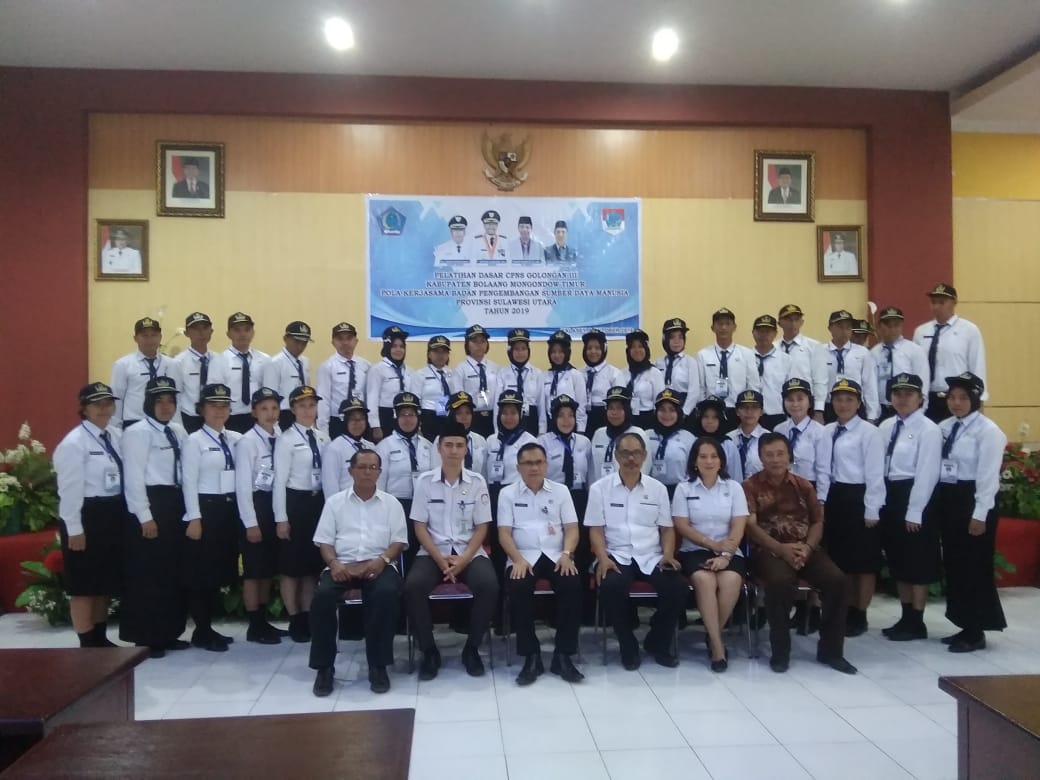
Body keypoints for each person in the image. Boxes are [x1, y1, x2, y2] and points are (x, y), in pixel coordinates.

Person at [743, 433, 856, 674]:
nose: (775, 459)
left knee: (837, 581)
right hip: (768, 551)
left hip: (805, 548)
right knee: (780, 581)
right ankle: (780, 652)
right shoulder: (750, 487)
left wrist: (808, 547)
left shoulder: (804, 485)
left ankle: (831, 651)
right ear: (761, 458)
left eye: (780, 454)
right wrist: (780, 549)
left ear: (789, 456)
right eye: (769, 455)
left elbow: (817, 521)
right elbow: (750, 527)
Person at [405, 423, 500, 679]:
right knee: (413, 586)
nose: (454, 451)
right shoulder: (425, 481)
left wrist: (464, 560)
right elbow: (419, 526)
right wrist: (440, 560)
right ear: (439, 448)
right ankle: (429, 650)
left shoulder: (477, 482)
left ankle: (472, 648)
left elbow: (482, 527)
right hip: (433, 552)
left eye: (459, 445)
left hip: (469, 552)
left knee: (489, 584)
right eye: (448, 445)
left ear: (466, 449)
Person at [309, 449, 407, 696]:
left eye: (373, 467)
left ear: (380, 472)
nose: (367, 472)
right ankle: (324, 668)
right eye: (362, 467)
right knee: (322, 597)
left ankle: (378, 666)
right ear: (351, 470)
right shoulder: (335, 503)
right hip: (342, 565)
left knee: (385, 593)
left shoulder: (391, 503)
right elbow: (324, 542)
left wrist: (382, 561)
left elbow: (398, 542)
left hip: (379, 564)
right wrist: (334, 564)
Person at [586, 432, 687, 669]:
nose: (631, 458)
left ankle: (657, 642)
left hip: (651, 555)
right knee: (611, 586)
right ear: (616, 456)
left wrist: (668, 555)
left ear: (644, 456)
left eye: (636, 453)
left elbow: (667, 529)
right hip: (616, 554)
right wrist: (602, 558)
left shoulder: (657, 488)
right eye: (625, 453)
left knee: (678, 587)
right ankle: (627, 644)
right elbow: (596, 530)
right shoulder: (600, 489)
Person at [498, 442, 584, 685]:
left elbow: (572, 529)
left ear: (546, 465)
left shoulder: (561, 491)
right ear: (518, 467)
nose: (533, 468)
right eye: (527, 463)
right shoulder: (507, 494)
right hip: (522, 555)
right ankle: (531, 656)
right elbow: (504, 534)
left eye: (538, 462)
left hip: (557, 554)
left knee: (572, 584)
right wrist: (517, 559)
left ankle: (563, 655)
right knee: (518, 586)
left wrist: (567, 554)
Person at [935, 372, 1007, 652]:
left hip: (974, 500)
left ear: (975, 399)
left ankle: (976, 630)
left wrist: (980, 514)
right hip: (950, 498)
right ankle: (963, 623)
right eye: (952, 397)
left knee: (974, 566)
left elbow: (988, 477)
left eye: (963, 398)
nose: (956, 403)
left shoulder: (988, 432)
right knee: (955, 565)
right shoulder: (945, 426)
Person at [120, 377, 190, 656]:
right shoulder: (137, 432)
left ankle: (169, 632)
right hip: (151, 503)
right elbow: (133, 477)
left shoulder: (177, 430)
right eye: (159, 401)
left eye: (170, 401)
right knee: (148, 574)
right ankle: (146, 637)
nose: (165, 406)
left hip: (174, 503)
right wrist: (144, 516)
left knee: (171, 571)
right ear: (148, 403)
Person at [54, 382, 127, 647]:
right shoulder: (74, 443)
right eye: (97, 404)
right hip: (86, 516)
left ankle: (100, 638)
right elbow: (69, 490)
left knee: (103, 583)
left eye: (108, 403)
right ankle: (86, 643)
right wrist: (75, 528)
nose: (104, 409)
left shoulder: (115, 435)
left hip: (111, 514)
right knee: (83, 585)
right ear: (84, 409)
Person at [672, 437, 748, 672]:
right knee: (705, 580)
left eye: (714, 456)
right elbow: (682, 525)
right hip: (694, 549)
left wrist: (725, 554)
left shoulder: (734, 488)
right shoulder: (684, 488)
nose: (709, 461)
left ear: (721, 461)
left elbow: (739, 525)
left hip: (729, 550)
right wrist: (711, 543)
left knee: (731, 580)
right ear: (694, 461)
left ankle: (712, 633)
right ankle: (717, 646)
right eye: (703, 456)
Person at [877, 373, 942, 642]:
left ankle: (917, 620)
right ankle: (905, 616)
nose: (902, 399)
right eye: (897, 394)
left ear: (920, 398)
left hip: (915, 495)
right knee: (899, 559)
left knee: (918, 561)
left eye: (908, 394)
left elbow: (927, 472)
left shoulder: (929, 429)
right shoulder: (886, 426)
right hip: (890, 494)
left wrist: (915, 511)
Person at [180, 383, 241, 652]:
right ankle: (201, 630)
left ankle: (209, 627)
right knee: (202, 573)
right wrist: (194, 517)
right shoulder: (195, 441)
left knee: (218, 571)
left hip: (228, 509)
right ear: (201, 409)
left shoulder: (235, 438)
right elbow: (188, 482)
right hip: (205, 509)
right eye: (213, 406)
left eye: (224, 406)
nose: (219, 410)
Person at [824, 379, 885, 637]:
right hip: (835, 496)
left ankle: (860, 613)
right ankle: (845, 608)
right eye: (838, 399)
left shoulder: (869, 432)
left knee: (863, 562)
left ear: (859, 403)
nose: (843, 404)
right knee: (842, 560)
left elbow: (875, 473)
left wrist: (872, 508)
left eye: (849, 400)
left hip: (860, 496)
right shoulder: (827, 430)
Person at [773, 377, 831, 634]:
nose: (795, 404)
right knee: (789, 548)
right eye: (790, 399)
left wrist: (821, 501)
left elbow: (824, 470)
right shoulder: (779, 429)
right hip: (783, 494)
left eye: (800, 399)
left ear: (809, 401)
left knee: (812, 548)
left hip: (810, 494)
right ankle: (797, 607)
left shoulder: (821, 432)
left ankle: (814, 607)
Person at [273, 385, 329, 643]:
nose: (308, 410)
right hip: (295, 502)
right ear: (293, 409)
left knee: (309, 567)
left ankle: (307, 615)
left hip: (317, 503)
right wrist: (281, 518)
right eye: (302, 406)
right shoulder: (286, 440)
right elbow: (279, 482)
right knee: (291, 567)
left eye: (312, 405)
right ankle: (294, 618)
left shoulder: (322, 437)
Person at [234, 387, 289, 645]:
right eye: (264, 408)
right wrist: (250, 523)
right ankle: (254, 624)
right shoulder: (248, 442)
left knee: (267, 569)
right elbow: (243, 486)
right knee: (254, 571)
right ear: (254, 412)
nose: (270, 413)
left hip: (273, 505)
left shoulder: (280, 436)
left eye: (274, 408)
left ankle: (264, 620)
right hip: (255, 505)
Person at [538, 394, 593, 619]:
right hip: (553, 498)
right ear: (553, 418)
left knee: (581, 551)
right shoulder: (543, 442)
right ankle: (553, 611)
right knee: (557, 549)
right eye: (561, 415)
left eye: (570, 415)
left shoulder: (584, 442)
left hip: (579, 497)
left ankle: (581, 610)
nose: (566, 420)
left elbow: (591, 474)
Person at [912, 283, 987, 423]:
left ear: (954, 303)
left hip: (957, 398)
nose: (936, 307)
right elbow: (916, 367)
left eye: (942, 302)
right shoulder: (921, 332)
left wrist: (979, 399)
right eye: (933, 302)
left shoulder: (969, 330)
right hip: (927, 398)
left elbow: (977, 366)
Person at [376, 392, 432, 572]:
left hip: (423, 506)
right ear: (396, 417)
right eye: (403, 415)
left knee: (421, 551)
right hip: (397, 505)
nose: (408, 419)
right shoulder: (384, 446)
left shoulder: (428, 446)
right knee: (400, 550)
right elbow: (379, 483)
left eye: (412, 414)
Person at [485, 390, 538, 577]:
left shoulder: (530, 441)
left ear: (520, 414)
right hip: (494, 496)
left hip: (518, 497)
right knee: (496, 543)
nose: (508, 417)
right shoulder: (491, 440)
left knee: (515, 540)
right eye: (504, 413)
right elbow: (485, 472)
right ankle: (499, 586)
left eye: (513, 413)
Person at [695, 308, 758, 432]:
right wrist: (704, 412)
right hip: (712, 413)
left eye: (728, 324)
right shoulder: (703, 355)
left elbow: (753, 385)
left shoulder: (747, 354)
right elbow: (701, 387)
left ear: (734, 327)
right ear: (712, 328)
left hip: (738, 411)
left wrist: (748, 410)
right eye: (720, 324)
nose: (723, 327)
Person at [814, 310, 879, 423]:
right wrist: (818, 411)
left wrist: (871, 415)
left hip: (855, 405)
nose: (844, 331)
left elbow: (869, 384)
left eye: (848, 327)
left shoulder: (862, 353)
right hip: (828, 406)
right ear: (830, 328)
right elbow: (817, 382)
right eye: (840, 327)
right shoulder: (820, 351)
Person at [172, 312, 228, 433]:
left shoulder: (220, 360)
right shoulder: (178, 362)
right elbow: (176, 396)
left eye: (205, 328)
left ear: (211, 331)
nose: (201, 333)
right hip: (190, 419)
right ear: (187, 333)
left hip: (215, 418)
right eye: (196, 329)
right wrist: (178, 426)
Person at [111, 316, 172, 429]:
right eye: (144, 336)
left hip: (163, 422)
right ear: (135, 338)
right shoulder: (123, 364)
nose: (150, 340)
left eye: (154, 335)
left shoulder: (170, 363)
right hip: (134, 421)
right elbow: (117, 397)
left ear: (160, 337)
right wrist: (116, 427)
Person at [872, 307, 930, 422]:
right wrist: (873, 413)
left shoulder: (914, 350)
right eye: (888, 325)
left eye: (896, 325)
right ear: (879, 326)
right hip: (881, 409)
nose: (892, 329)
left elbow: (923, 382)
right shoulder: (873, 353)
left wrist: (920, 410)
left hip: (907, 407)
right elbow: (871, 385)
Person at [316, 322, 370, 439]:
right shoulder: (327, 366)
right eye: (340, 339)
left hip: (360, 420)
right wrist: (323, 429)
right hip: (338, 421)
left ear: (356, 341)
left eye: (349, 338)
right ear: (333, 342)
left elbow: (368, 395)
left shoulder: (366, 366)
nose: (345, 343)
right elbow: (323, 399)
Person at [589, 386, 651, 483]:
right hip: (601, 490)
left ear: (627, 410)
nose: (614, 413)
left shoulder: (639, 434)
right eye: (611, 408)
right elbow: (592, 471)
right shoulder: (599, 434)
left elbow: (644, 470)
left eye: (619, 408)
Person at [223, 312, 271, 434]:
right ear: (228, 334)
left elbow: (269, 391)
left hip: (258, 418)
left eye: (247, 329)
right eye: (237, 330)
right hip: (231, 419)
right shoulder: (220, 361)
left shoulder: (265, 360)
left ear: (253, 332)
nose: (242, 334)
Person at [262, 321, 314, 430]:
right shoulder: (275, 363)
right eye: (297, 341)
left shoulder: (305, 362)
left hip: (303, 412)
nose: (300, 346)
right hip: (284, 414)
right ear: (286, 339)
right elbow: (270, 396)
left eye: (304, 343)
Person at [366, 325, 415, 441]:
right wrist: (375, 425)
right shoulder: (377, 369)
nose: (398, 350)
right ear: (387, 347)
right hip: (385, 417)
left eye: (402, 346)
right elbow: (372, 398)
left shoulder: (409, 371)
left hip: (404, 416)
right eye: (394, 346)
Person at [646, 388, 696, 500]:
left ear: (679, 412)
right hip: (651, 491)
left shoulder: (688, 438)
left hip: (679, 492)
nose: (667, 414)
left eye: (672, 410)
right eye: (662, 410)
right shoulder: (646, 435)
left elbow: (693, 471)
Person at [321, 397, 376, 498]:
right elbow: (330, 486)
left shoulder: (371, 447)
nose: (358, 422)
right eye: (352, 418)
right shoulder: (334, 449)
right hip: (345, 503)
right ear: (344, 420)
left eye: (361, 418)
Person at [539, 330, 589, 435]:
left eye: (561, 352)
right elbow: (542, 406)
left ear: (567, 353)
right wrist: (542, 430)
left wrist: (580, 430)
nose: (557, 355)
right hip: (550, 425)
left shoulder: (576, 375)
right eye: (553, 352)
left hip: (569, 425)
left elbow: (581, 405)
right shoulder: (544, 376)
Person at [776, 304, 825, 407]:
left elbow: (820, 380)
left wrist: (819, 408)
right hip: (777, 404)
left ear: (802, 322)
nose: (793, 323)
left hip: (804, 403)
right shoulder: (773, 348)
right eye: (788, 320)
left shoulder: (814, 346)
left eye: (796, 320)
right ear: (779, 323)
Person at [453, 324, 498, 438]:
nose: (479, 345)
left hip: (493, 416)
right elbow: (458, 397)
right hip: (471, 417)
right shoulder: (460, 369)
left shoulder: (495, 368)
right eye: (475, 341)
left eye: (482, 341)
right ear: (467, 344)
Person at [429, 391, 488, 476]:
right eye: (459, 413)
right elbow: (436, 471)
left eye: (468, 413)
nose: (464, 417)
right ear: (451, 415)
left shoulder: (480, 440)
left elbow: (484, 473)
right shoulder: (441, 440)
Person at [750, 314, 794, 430]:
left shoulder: (786, 360)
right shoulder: (745, 357)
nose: (764, 335)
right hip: (749, 415)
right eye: (760, 331)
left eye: (768, 331)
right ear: (753, 333)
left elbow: (790, 391)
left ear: (775, 333)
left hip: (776, 415)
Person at [496, 328, 542, 435]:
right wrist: (497, 430)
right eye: (516, 349)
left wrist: (542, 430)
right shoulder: (502, 373)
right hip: (509, 418)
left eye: (523, 348)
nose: (520, 353)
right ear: (510, 351)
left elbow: (541, 404)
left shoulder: (537, 373)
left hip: (531, 419)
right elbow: (497, 405)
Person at [618, 329, 665, 430]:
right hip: (626, 419)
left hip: (648, 420)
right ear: (628, 351)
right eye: (633, 347)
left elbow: (659, 403)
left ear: (646, 349)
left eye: (640, 346)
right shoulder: (622, 373)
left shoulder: (654, 373)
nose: (637, 350)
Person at [417, 335, 459, 441]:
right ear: (429, 354)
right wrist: (418, 425)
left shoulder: (453, 374)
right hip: (428, 418)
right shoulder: (420, 374)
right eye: (436, 351)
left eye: (444, 352)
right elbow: (416, 401)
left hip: (448, 417)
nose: (440, 355)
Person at [581, 329, 620, 437]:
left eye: (597, 348)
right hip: (583, 419)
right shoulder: (579, 374)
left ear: (604, 350)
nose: (593, 352)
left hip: (605, 419)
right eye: (589, 348)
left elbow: (620, 404)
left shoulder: (614, 373)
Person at [689, 396, 741, 477]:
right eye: (706, 417)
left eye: (715, 417)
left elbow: (735, 475)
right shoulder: (692, 442)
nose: (710, 421)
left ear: (721, 419)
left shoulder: (728, 445)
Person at [656, 318, 698, 414]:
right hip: (663, 411)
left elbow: (694, 392)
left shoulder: (690, 362)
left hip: (684, 410)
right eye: (672, 337)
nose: (677, 341)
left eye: (680, 337)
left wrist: (684, 413)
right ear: (665, 339)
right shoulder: (658, 363)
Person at [729, 390, 769, 481]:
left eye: (754, 407)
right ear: (737, 411)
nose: (749, 412)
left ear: (761, 412)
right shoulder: (728, 439)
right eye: (745, 407)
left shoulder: (769, 439)